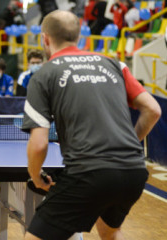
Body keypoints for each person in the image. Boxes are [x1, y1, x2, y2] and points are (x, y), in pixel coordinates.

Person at [21, 10, 161, 240]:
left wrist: (35, 176)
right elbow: (153, 110)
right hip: (133, 172)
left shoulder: (43, 75)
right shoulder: (115, 65)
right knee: (110, 233)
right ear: (80, 37)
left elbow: (38, 145)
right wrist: (127, 147)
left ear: (45, 38)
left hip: (88, 173)